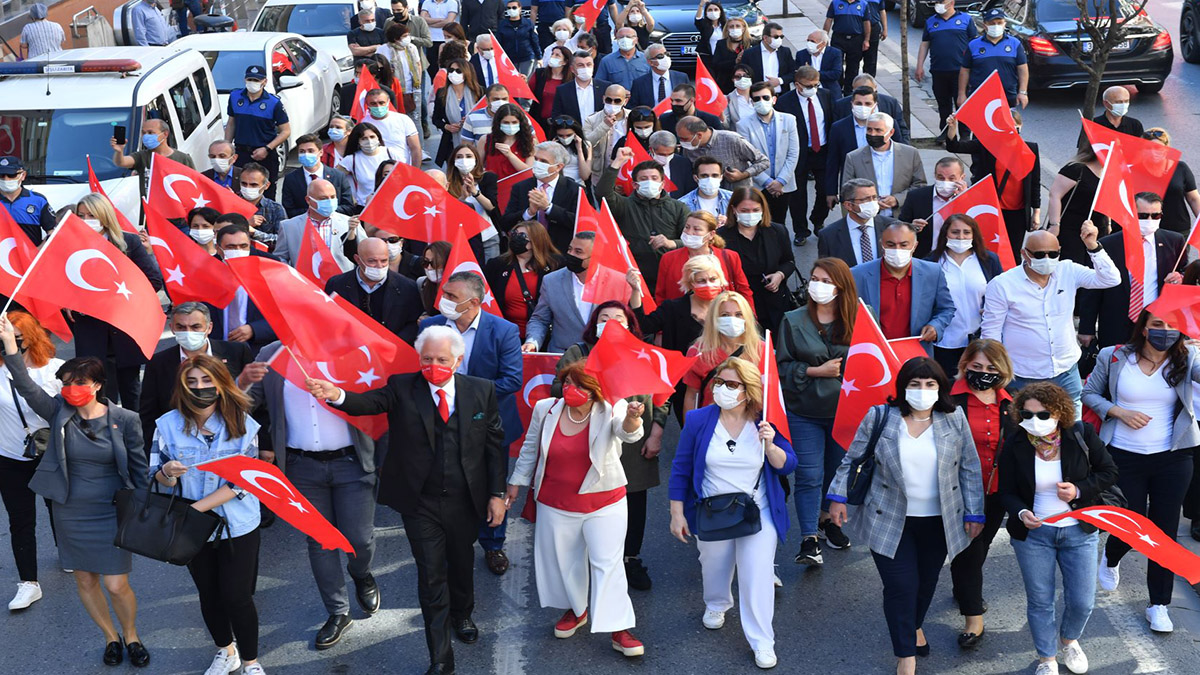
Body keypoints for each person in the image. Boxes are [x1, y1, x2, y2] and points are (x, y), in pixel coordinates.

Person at [307, 326, 508, 675]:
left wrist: (497, 495)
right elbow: (368, 402)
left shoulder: (481, 390)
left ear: (458, 360)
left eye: (442, 359)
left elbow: (494, 447)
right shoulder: (402, 386)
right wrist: (336, 394)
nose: (434, 366)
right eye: (427, 359)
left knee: (461, 563)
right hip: (420, 503)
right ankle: (441, 660)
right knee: (431, 576)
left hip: (465, 499)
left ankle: (462, 614)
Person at [1, 318, 150, 667]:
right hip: (70, 512)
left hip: (111, 511)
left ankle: (131, 635)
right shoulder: (58, 412)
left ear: (97, 385)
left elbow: (139, 470)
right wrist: (9, 344)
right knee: (85, 579)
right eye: (66, 383)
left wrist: (141, 511)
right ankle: (110, 637)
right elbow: (25, 385)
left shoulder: (125, 419)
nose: (71, 389)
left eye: (79, 382)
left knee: (116, 585)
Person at [828, 357, 985, 675]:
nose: (922, 390)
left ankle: (913, 626)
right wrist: (837, 497)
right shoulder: (880, 416)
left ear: (940, 388)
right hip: (888, 518)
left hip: (939, 521)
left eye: (930, 384)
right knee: (901, 586)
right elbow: (852, 459)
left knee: (925, 583)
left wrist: (975, 512)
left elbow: (969, 466)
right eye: (915, 384)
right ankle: (906, 657)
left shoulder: (954, 418)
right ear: (903, 387)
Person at [506, 360, 646, 655]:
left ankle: (619, 628)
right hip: (555, 502)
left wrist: (633, 418)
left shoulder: (612, 408)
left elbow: (628, 433)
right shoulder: (545, 409)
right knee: (566, 563)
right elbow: (530, 447)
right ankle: (577, 610)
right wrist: (516, 481)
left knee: (607, 564)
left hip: (605, 502)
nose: (571, 389)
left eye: (580, 385)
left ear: (595, 390)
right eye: (568, 382)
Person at [250, 340, 380, 652]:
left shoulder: (351, 348)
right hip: (301, 467)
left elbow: (377, 399)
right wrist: (241, 382)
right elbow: (246, 404)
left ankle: (361, 573)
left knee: (359, 539)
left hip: (351, 463)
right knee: (321, 541)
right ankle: (338, 612)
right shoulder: (271, 354)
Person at [669, 356, 797, 670]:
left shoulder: (766, 420)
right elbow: (681, 468)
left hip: (757, 511)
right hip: (712, 511)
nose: (721, 389)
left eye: (730, 384)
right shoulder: (698, 420)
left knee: (758, 574)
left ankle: (762, 640)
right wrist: (677, 513)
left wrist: (771, 446)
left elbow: (788, 464)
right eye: (718, 382)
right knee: (714, 565)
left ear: (748, 390)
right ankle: (717, 603)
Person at [1081, 312, 1200, 634]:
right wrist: (1118, 411)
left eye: (1172, 326)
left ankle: (1159, 604)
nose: (1165, 331)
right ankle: (1112, 556)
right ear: (1144, 328)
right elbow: (1089, 393)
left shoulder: (1189, 357)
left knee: (1164, 531)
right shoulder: (1114, 356)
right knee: (1129, 522)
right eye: (1158, 324)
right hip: (1123, 456)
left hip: (1173, 457)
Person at [151, 355, 265, 675]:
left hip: (237, 525)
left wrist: (195, 510)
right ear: (182, 387)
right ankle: (226, 651)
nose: (199, 387)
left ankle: (251, 662)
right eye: (192, 382)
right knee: (209, 594)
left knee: (237, 596)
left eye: (206, 381)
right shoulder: (167, 425)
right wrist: (167, 472)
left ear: (221, 384)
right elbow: (155, 476)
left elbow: (242, 484)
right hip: (194, 530)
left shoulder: (244, 424)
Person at [998, 382, 1117, 675]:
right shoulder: (1015, 442)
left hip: (1078, 531)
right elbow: (1006, 491)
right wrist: (1022, 512)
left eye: (1043, 415)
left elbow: (1109, 472)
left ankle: (1069, 640)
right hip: (1033, 535)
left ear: (1059, 413)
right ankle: (1046, 658)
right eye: (1028, 415)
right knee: (1040, 600)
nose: (1034, 421)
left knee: (1082, 601)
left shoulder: (1080, 434)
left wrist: (1078, 490)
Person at [549, 302, 666, 590]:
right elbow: (557, 387)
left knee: (634, 502)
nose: (611, 322)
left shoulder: (644, 354)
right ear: (594, 324)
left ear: (629, 325)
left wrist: (656, 433)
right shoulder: (579, 352)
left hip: (634, 439)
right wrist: (591, 384)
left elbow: (662, 396)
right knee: (591, 501)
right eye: (604, 317)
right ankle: (591, 560)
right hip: (589, 439)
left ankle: (630, 558)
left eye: (618, 318)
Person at [420, 272, 523, 575]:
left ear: (474, 303)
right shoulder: (430, 327)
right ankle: (451, 541)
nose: (444, 301)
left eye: (451, 296)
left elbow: (512, 380)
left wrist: (464, 394)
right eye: (444, 294)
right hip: (442, 422)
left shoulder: (503, 330)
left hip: (490, 423)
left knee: (493, 484)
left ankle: (493, 544)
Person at [981, 227, 1120, 411]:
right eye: (1039, 255)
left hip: (1065, 369)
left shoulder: (1068, 270)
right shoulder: (1002, 284)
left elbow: (1111, 279)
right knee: (1023, 423)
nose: (1047, 259)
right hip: (1021, 373)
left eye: (1053, 254)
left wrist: (1093, 247)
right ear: (1024, 254)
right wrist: (995, 370)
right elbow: (991, 332)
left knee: (1073, 424)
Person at [777, 258, 857, 564]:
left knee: (836, 473)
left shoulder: (862, 317)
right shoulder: (793, 320)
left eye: (826, 281)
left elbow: (872, 360)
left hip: (844, 413)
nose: (817, 286)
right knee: (809, 474)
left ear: (841, 287)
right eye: (814, 279)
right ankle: (809, 539)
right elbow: (781, 368)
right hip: (805, 411)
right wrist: (814, 371)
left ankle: (826, 520)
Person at [946, 339, 1016, 649]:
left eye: (991, 367)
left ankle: (962, 588)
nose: (983, 373)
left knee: (981, 545)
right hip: (959, 490)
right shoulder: (948, 399)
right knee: (970, 550)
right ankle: (973, 617)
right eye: (976, 366)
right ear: (965, 365)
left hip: (996, 490)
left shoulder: (1011, 404)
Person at [69, 195, 163, 410]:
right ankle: (103, 429)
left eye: (91, 215)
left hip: (125, 327)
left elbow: (153, 280)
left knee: (131, 390)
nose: (86, 220)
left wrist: (118, 300)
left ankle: (135, 429)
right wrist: (67, 301)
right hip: (91, 329)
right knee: (97, 389)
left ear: (104, 215)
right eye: (81, 216)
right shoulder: (70, 244)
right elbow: (60, 281)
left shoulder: (128, 242)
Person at [0, 311, 62, 611]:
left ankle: (66, 551)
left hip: (50, 455)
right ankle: (29, 582)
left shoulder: (55, 370)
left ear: (31, 338)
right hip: (9, 457)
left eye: (15, 338)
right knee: (20, 520)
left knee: (57, 509)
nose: (7, 343)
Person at [138, 302, 259, 455]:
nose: (188, 332)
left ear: (209, 327)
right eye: (181, 327)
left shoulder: (236, 352)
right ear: (172, 328)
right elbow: (149, 414)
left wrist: (266, 445)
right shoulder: (158, 362)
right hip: (180, 448)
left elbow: (257, 399)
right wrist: (152, 454)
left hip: (233, 441)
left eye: (195, 327)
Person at [1077, 192, 1186, 349]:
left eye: (1155, 216)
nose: (1150, 220)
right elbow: (1092, 289)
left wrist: (1180, 277)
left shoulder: (1173, 241)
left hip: (1156, 324)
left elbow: (1184, 271)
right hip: (1116, 322)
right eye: (1143, 216)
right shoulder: (1107, 245)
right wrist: (1086, 328)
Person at [945, 112, 1041, 257]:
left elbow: (1034, 182)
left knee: (1013, 253)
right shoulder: (988, 145)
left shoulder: (1030, 149)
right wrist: (953, 127)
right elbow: (955, 146)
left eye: (1013, 125)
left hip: (1018, 213)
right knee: (988, 250)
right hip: (992, 209)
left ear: (1020, 126)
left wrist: (1036, 212)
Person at [850, 222, 956, 352]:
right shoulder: (858, 275)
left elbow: (946, 308)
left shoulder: (932, 272)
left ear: (914, 246)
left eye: (904, 245)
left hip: (917, 351)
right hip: (874, 352)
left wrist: (935, 326)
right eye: (891, 245)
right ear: (882, 245)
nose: (897, 249)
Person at [596, 147, 690, 290]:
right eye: (644, 179)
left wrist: (672, 243)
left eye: (654, 178)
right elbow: (602, 193)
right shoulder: (624, 205)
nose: (649, 182)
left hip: (670, 274)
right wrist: (617, 162)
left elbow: (691, 240)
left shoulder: (679, 207)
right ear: (635, 184)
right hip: (634, 276)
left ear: (662, 184)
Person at [926, 214, 1003, 376]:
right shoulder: (931, 262)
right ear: (945, 233)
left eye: (966, 232)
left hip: (980, 339)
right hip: (944, 341)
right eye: (955, 232)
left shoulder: (989, 260)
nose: (961, 237)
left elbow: (1000, 293)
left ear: (974, 235)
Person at [717, 187, 798, 335]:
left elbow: (789, 261)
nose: (750, 215)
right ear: (734, 210)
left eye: (755, 210)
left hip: (775, 303)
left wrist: (779, 275)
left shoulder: (777, 231)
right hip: (740, 305)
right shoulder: (721, 237)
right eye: (745, 210)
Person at [325, 237, 424, 344]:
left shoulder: (407, 287)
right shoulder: (337, 285)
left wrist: (393, 344)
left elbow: (413, 324)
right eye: (372, 261)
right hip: (348, 348)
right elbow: (328, 319)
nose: (379, 266)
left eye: (384, 261)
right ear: (358, 259)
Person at [682, 291, 762, 415]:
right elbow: (692, 396)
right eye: (725, 315)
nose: (732, 320)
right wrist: (691, 426)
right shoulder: (698, 352)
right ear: (714, 319)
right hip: (711, 421)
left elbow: (770, 393)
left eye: (739, 314)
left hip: (752, 422)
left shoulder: (761, 350)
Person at [737, 82, 800, 234]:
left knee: (779, 224)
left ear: (774, 99)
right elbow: (746, 159)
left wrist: (781, 181)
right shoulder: (743, 125)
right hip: (758, 185)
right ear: (752, 102)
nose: (761, 101)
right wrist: (767, 183)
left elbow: (793, 153)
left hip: (783, 183)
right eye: (756, 99)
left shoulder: (789, 120)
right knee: (759, 225)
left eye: (765, 97)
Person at [655, 210, 753, 305]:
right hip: (680, 314)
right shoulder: (668, 258)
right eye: (687, 227)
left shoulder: (729, 257)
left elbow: (743, 290)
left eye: (696, 229)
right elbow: (661, 295)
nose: (689, 232)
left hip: (720, 313)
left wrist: (749, 314)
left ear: (711, 234)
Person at [839, 113, 927, 219]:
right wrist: (870, 202)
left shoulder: (910, 154)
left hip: (902, 217)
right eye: (869, 129)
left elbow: (920, 185)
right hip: (868, 219)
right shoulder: (853, 157)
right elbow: (847, 192)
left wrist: (897, 199)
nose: (873, 134)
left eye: (878, 130)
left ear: (891, 132)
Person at [483, 221, 561, 339]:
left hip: (541, 336)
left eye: (522, 235)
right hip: (505, 335)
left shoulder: (555, 265)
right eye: (514, 233)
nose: (515, 238)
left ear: (535, 241)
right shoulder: (497, 265)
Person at [501, 140, 581, 254]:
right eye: (536, 159)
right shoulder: (521, 187)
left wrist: (548, 208)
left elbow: (578, 222)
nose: (537, 164)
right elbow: (506, 223)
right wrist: (529, 213)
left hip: (559, 252)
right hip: (527, 252)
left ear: (558, 167)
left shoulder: (575, 190)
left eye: (543, 161)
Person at [209, 222, 278, 353]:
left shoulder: (269, 273)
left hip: (257, 351)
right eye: (231, 247)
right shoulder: (205, 274)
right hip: (216, 352)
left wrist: (254, 329)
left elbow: (287, 318)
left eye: (243, 246)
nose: (238, 250)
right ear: (218, 248)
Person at [523, 232, 597, 353]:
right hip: (562, 357)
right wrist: (532, 342)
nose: (571, 254)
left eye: (578, 252)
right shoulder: (551, 280)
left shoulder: (616, 282)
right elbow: (540, 319)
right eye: (570, 249)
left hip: (601, 356)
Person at [915, 0, 976, 139]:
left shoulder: (966, 19)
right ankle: (946, 133)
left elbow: (974, 44)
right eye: (937, 1)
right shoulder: (931, 22)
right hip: (939, 70)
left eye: (941, 1)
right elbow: (925, 44)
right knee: (943, 104)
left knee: (963, 104)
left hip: (961, 72)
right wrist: (919, 66)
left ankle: (965, 135)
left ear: (951, 2)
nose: (938, 4)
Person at [225, 65, 291, 186]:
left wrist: (267, 148)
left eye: (256, 80)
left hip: (265, 154)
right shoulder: (235, 97)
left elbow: (285, 131)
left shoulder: (273, 102)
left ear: (264, 82)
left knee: (267, 189)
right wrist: (227, 146)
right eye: (250, 79)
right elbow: (231, 123)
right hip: (241, 152)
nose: (252, 83)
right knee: (239, 188)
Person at [1045, 146, 1105, 266]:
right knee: (1071, 267)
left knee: (1092, 269)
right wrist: (1054, 225)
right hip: (1070, 230)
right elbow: (1055, 194)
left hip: (1095, 231)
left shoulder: (1112, 175)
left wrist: (1107, 224)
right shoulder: (1077, 169)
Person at [899, 156, 969, 257]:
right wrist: (912, 227)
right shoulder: (916, 196)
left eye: (951, 178)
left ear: (962, 178)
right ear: (935, 176)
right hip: (926, 257)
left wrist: (964, 200)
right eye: (941, 178)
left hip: (959, 257)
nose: (945, 182)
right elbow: (900, 226)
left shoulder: (972, 198)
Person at [958, 7, 1028, 109]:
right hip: (979, 97)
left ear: (1004, 24)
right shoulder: (973, 45)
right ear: (985, 25)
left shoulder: (1015, 43)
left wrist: (1022, 92)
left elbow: (1022, 68)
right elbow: (965, 70)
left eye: (999, 23)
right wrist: (961, 94)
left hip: (1007, 97)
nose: (996, 26)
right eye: (992, 23)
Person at [111, 118, 196, 200]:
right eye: (143, 133)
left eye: (150, 132)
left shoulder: (183, 159)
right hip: (150, 208)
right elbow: (121, 162)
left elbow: (195, 186)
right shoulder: (142, 156)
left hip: (176, 207)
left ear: (165, 134)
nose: (146, 136)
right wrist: (119, 151)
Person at [817, 178, 894, 267]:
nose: (872, 203)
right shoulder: (828, 235)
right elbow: (825, 269)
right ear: (848, 205)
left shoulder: (893, 227)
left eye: (874, 197)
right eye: (866, 199)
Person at [676, 117, 769, 192]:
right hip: (706, 198)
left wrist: (743, 175)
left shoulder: (732, 140)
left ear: (699, 135)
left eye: (685, 139)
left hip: (737, 196)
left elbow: (763, 161)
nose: (682, 142)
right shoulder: (690, 148)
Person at [1140, 128, 1200, 235]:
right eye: (1149, 148)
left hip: (1179, 230)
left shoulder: (1180, 168)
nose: (1154, 152)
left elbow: (1193, 199)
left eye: (1158, 148)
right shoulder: (1135, 171)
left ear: (1166, 149)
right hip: (1147, 231)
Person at [446, 144, 501, 259]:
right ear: (453, 161)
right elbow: (449, 213)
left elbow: (492, 207)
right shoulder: (448, 183)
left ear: (476, 159)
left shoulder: (487, 177)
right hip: (463, 240)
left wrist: (475, 192)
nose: (464, 160)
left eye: (468, 156)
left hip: (488, 237)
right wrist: (462, 198)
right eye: (459, 157)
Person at [281, 135, 355, 218]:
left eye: (311, 151)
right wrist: (314, 212)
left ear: (321, 152)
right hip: (305, 223)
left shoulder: (338, 176)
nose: (306, 154)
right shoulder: (291, 179)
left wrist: (327, 211)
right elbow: (289, 210)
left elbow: (349, 207)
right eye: (302, 151)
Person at [823, 87, 876, 199]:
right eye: (858, 103)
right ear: (852, 104)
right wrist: (831, 192)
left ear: (875, 105)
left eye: (867, 104)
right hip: (851, 186)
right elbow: (833, 161)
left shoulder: (886, 125)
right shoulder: (839, 128)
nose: (863, 107)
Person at [482, 103, 535, 211]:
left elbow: (528, 172)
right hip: (492, 193)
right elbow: (478, 167)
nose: (510, 126)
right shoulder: (486, 140)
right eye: (506, 122)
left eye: (514, 122)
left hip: (518, 193)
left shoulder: (529, 142)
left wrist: (510, 155)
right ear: (499, 123)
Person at [339, 122, 405, 205]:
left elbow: (407, 176)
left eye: (372, 137)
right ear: (358, 141)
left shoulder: (391, 153)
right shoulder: (351, 159)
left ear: (378, 137)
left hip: (393, 204)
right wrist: (351, 199)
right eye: (364, 138)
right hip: (364, 206)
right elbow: (335, 178)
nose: (369, 141)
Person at [360, 88, 423, 166]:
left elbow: (415, 148)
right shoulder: (364, 123)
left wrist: (415, 171)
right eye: (373, 103)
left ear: (388, 102)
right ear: (367, 104)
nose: (378, 106)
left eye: (381, 103)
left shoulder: (403, 119)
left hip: (402, 167)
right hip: (375, 168)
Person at [0, 156, 55, 245]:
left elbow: (52, 231)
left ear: (23, 175)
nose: (6, 179)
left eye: (11, 175)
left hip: (30, 253)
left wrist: (39, 249)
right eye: (1, 175)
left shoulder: (38, 201)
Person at [583, 84, 633, 179]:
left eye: (617, 101)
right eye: (609, 100)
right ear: (603, 99)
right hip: (601, 174)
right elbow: (586, 144)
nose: (612, 104)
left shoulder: (632, 117)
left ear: (625, 101)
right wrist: (604, 126)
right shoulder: (591, 120)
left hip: (627, 173)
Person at [551, 51, 609, 128]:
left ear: (593, 66)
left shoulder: (605, 87)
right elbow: (557, 116)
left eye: (588, 64)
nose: (585, 68)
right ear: (572, 69)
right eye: (580, 65)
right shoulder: (563, 90)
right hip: (574, 132)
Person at [823, 0, 870, 94]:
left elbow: (866, 22)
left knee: (853, 67)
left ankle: (849, 92)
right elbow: (829, 20)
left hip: (856, 39)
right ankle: (837, 89)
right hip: (839, 39)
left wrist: (866, 40)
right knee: (837, 65)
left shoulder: (863, 4)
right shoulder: (835, 3)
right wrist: (824, 37)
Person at [237, 163, 287, 250]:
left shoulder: (275, 209)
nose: (248, 187)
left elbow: (283, 240)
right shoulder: (231, 203)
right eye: (244, 184)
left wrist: (255, 233)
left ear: (266, 185)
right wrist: (244, 225)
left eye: (253, 185)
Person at [740, 23, 795, 95]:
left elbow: (793, 72)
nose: (779, 39)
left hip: (781, 95)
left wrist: (780, 81)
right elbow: (743, 74)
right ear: (765, 38)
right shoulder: (750, 53)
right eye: (776, 37)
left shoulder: (785, 52)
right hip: (758, 96)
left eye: (781, 37)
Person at [1079, 85, 1144, 146]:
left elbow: (1142, 148)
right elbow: (1083, 150)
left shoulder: (1135, 125)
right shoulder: (1093, 125)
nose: (1123, 105)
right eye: (1118, 102)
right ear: (1106, 103)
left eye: (1126, 101)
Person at [629, 43, 686, 110]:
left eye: (667, 54)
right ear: (650, 62)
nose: (665, 58)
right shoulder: (639, 83)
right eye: (660, 56)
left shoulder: (681, 78)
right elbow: (633, 107)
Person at [530, 47, 573, 129]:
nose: (553, 56)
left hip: (561, 124)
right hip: (539, 121)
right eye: (552, 54)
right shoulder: (540, 74)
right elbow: (529, 91)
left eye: (557, 55)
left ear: (565, 62)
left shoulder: (571, 80)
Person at [659, 84, 725, 136]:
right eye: (672, 100)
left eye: (678, 101)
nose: (673, 104)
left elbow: (720, 141)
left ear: (692, 100)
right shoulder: (665, 119)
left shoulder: (711, 120)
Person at [648, 129, 696, 197]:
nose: (666, 157)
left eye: (670, 154)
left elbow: (690, 190)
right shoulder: (638, 161)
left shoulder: (683, 163)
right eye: (662, 154)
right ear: (651, 149)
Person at [495, 0, 539, 75]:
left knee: (525, 80)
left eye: (514, 7)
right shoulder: (502, 25)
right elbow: (499, 43)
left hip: (527, 57)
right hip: (509, 59)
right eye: (509, 8)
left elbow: (534, 41)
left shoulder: (528, 23)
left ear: (520, 8)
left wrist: (539, 57)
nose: (511, 10)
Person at [549, 115, 592, 185]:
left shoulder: (586, 145)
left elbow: (585, 176)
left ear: (575, 133)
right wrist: (552, 151)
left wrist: (579, 149)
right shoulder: (549, 146)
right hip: (558, 185)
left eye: (569, 135)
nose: (565, 138)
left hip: (577, 184)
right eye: (561, 135)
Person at [422, 0, 460, 73]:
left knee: (447, 65)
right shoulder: (427, 2)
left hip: (447, 39)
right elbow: (422, 19)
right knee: (432, 67)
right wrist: (441, 19)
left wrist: (429, 22)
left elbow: (449, 21)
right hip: (431, 39)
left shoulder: (452, 2)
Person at [417, 241, 453, 316]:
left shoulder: (459, 289)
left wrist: (432, 320)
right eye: (425, 262)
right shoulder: (422, 284)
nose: (429, 267)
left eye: (435, 263)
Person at [694, 0, 726, 70]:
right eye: (710, 10)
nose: (713, 12)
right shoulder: (705, 25)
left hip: (723, 57)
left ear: (720, 12)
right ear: (706, 13)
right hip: (708, 57)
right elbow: (698, 19)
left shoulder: (725, 25)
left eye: (716, 9)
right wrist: (701, 5)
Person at [723, 64, 757, 129]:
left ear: (751, 78)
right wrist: (721, 115)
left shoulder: (760, 96)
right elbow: (726, 125)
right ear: (733, 79)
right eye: (738, 76)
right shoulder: (727, 99)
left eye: (745, 76)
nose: (742, 79)